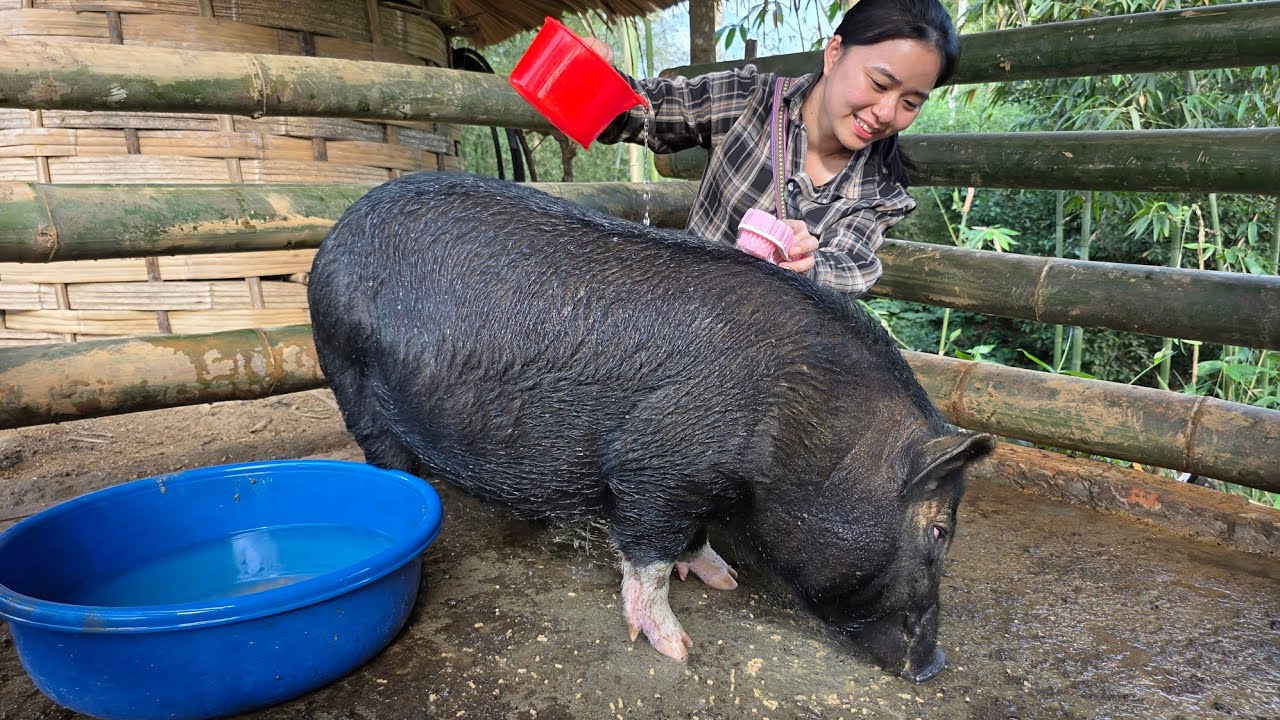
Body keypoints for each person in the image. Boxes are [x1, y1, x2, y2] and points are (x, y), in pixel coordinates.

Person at [588, 0, 958, 295]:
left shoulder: (878, 190)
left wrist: (809, 262)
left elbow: (852, 264)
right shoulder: (749, 99)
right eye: (879, 84)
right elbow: (641, 113)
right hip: (683, 314)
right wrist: (592, 76)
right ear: (834, 54)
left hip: (768, 357)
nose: (885, 113)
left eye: (910, 103)